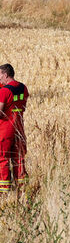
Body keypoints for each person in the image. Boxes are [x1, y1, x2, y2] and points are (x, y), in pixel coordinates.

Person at [0, 64, 28, 192]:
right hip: (19, 128)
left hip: (5, 129)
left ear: (5, 75)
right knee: (19, 157)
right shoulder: (23, 88)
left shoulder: (4, 91)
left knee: (3, 159)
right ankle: (22, 188)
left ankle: (4, 191)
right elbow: (23, 106)